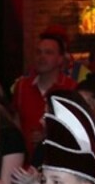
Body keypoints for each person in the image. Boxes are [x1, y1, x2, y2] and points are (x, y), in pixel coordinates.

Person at [11, 32, 77, 160]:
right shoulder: (22, 86)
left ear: (60, 59)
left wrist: (49, 136)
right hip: (25, 162)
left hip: (59, 161)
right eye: (38, 52)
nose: (42, 57)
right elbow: (16, 122)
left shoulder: (71, 88)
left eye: (48, 53)